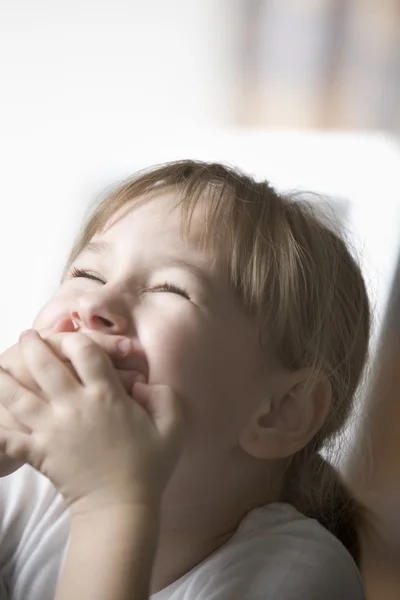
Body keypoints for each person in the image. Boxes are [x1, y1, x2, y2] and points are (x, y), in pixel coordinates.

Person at [0, 160, 368, 599]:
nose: (95, 302)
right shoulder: (28, 485)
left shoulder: (298, 576)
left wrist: (112, 505)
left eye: (169, 289)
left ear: (281, 411)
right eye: (88, 274)